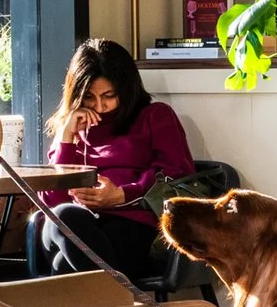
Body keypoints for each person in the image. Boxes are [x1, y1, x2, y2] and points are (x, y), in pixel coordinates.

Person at [31, 38, 196, 280]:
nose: (100, 106)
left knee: (63, 266)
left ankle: (105, 299)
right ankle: (120, 302)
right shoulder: (74, 127)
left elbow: (177, 174)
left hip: (132, 227)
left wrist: (122, 195)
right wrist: (66, 135)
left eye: (109, 95)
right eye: (89, 97)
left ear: (126, 89)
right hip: (74, 226)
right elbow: (52, 199)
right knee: (63, 216)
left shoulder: (155, 116)